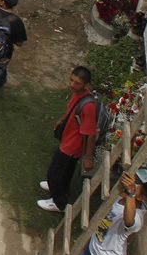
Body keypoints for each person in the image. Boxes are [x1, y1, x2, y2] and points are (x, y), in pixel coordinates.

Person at [75, 169, 147, 255]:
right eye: (133, 178)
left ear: (140, 197)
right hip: (94, 248)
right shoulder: (120, 195)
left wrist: (130, 193)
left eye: (135, 183)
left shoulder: (137, 218)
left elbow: (129, 221)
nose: (130, 183)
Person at [38, 66, 100, 214]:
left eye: (77, 83)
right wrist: (62, 120)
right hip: (68, 139)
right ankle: (61, 189)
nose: (72, 84)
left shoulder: (89, 106)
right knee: (65, 172)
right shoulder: (78, 94)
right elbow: (71, 111)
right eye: (71, 80)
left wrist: (88, 158)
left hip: (72, 146)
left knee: (55, 173)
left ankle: (59, 203)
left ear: (85, 85)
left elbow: (90, 134)